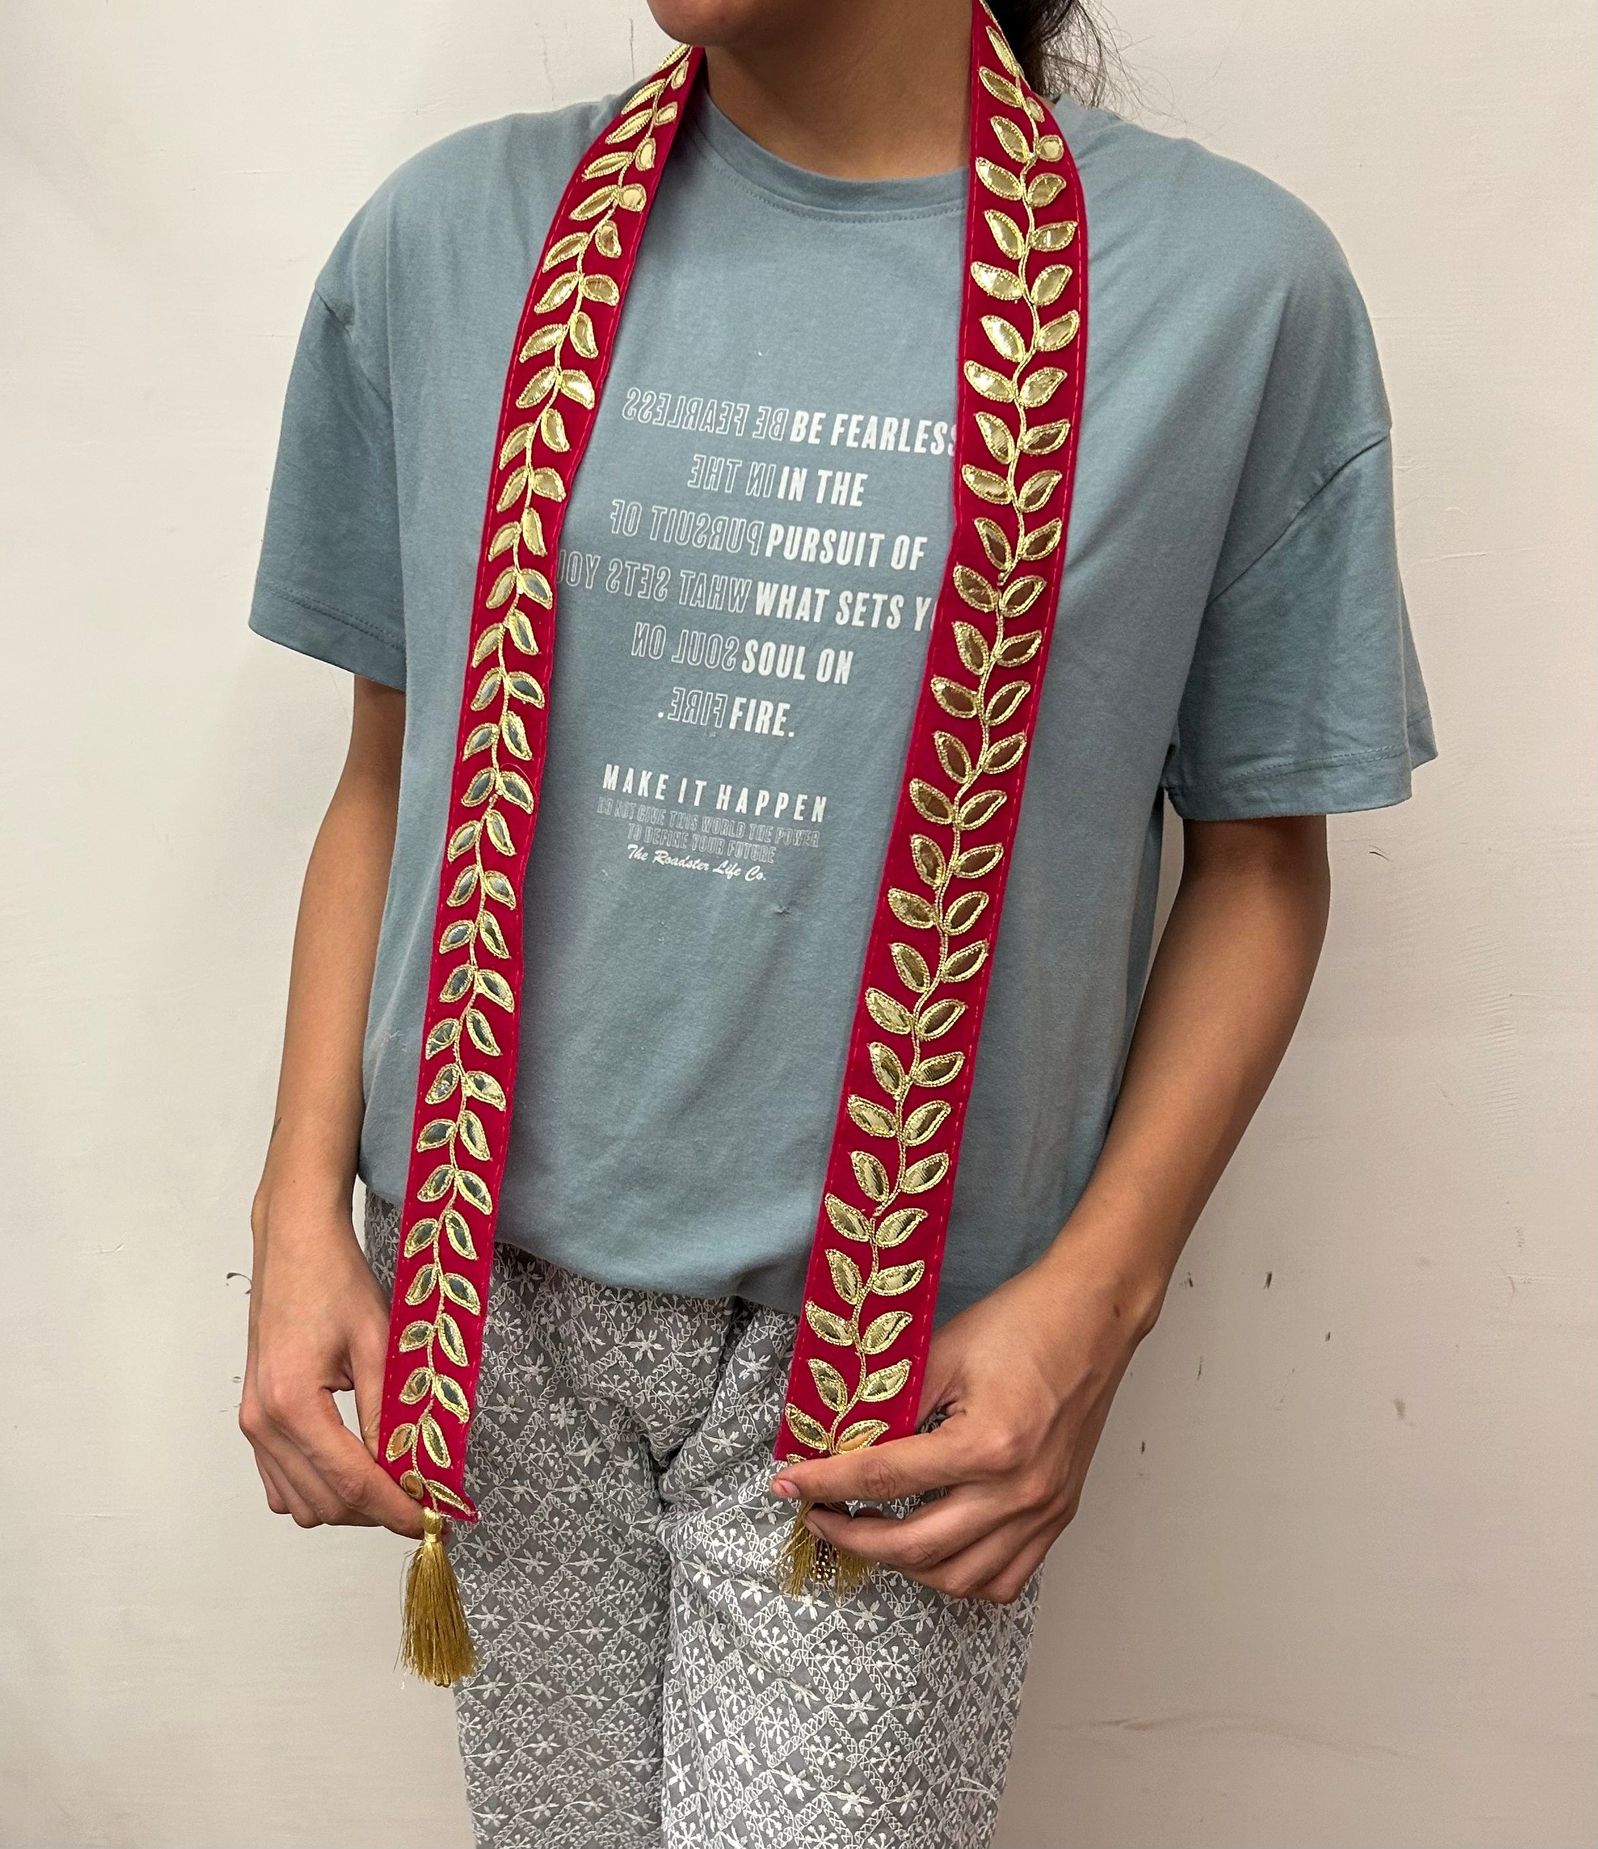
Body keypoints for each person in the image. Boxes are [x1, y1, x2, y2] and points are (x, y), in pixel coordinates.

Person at [238, 0, 1436, 1842]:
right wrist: (296, 1214)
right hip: (483, 1324)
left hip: (890, 1363)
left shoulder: (1227, 291)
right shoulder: (450, 239)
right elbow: (392, 773)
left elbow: (1260, 859)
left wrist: (1098, 1302)